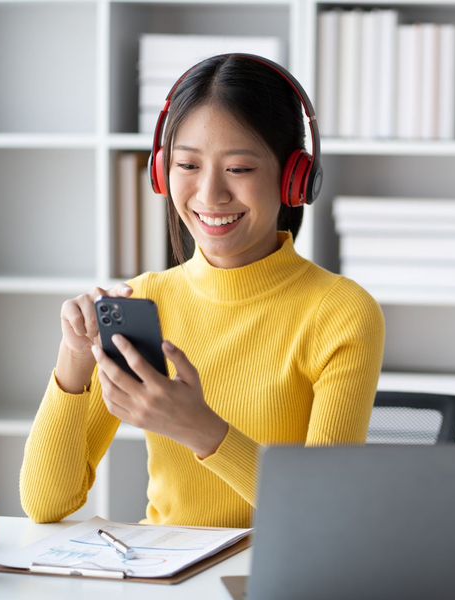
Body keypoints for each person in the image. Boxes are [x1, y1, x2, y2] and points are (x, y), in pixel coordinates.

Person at [19, 54, 385, 528]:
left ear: (294, 178)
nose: (209, 195)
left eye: (239, 169)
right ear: (160, 171)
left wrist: (203, 432)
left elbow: (322, 516)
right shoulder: (142, 302)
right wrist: (73, 361)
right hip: (162, 578)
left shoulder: (341, 312)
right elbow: (45, 504)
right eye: (187, 164)